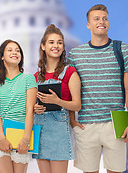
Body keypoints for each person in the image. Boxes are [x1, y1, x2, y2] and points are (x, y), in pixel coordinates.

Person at [68, 4, 128, 173]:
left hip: (115, 122)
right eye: (96, 19)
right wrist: (72, 119)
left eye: (105, 18)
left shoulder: (124, 50)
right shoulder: (75, 55)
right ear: (88, 25)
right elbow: (70, 90)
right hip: (86, 124)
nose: (102, 22)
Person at [33, 24, 81, 173]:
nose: (56, 46)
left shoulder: (70, 72)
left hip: (59, 131)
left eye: (60, 42)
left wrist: (57, 101)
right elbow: (32, 104)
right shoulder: (36, 77)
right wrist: (35, 108)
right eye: (51, 42)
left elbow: (77, 105)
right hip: (40, 130)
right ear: (43, 46)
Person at [0, 39, 37, 173]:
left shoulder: (29, 79)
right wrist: (2, 139)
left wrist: (26, 139)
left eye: (17, 50)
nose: (15, 52)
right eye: (10, 50)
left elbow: (29, 110)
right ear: (2, 56)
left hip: (22, 134)